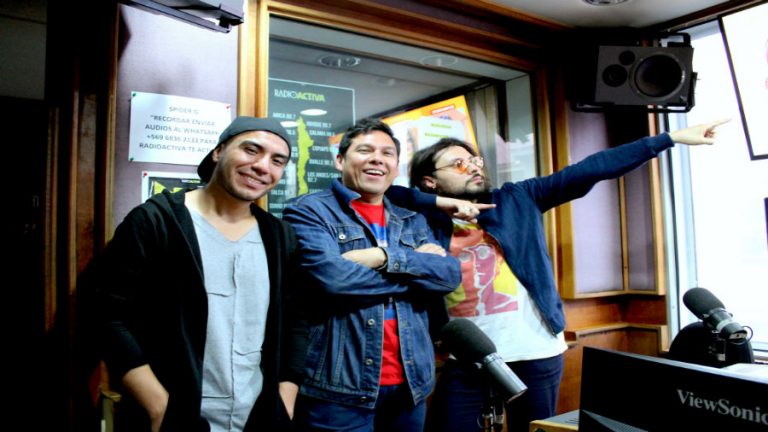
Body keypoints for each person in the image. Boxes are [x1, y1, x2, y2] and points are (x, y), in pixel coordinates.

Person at [386, 119, 729, 432]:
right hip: (468, 358)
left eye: (475, 161)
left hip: (536, 353)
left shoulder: (516, 198)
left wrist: (669, 138)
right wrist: (438, 204)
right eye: (459, 164)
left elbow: (592, 168)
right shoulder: (419, 219)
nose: (474, 167)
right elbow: (384, 191)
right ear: (429, 181)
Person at [86, 117, 307, 431]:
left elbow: (296, 321)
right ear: (218, 151)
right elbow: (105, 313)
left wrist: (286, 396)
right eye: (251, 150)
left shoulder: (280, 238)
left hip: (258, 418)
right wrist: (158, 406)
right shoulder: (157, 221)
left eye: (277, 161)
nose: (262, 166)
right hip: (175, 418)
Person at [282, 118, 462, 431]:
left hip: (411, 385)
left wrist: (381, 257)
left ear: (395, 167)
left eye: (387, 153)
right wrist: (416, 272)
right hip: (339, 389)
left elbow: (448, 276)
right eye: (365, 150)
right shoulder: (308, 211)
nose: (377, 159)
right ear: (340, 160)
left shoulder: (412, 220)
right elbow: (333, 279)